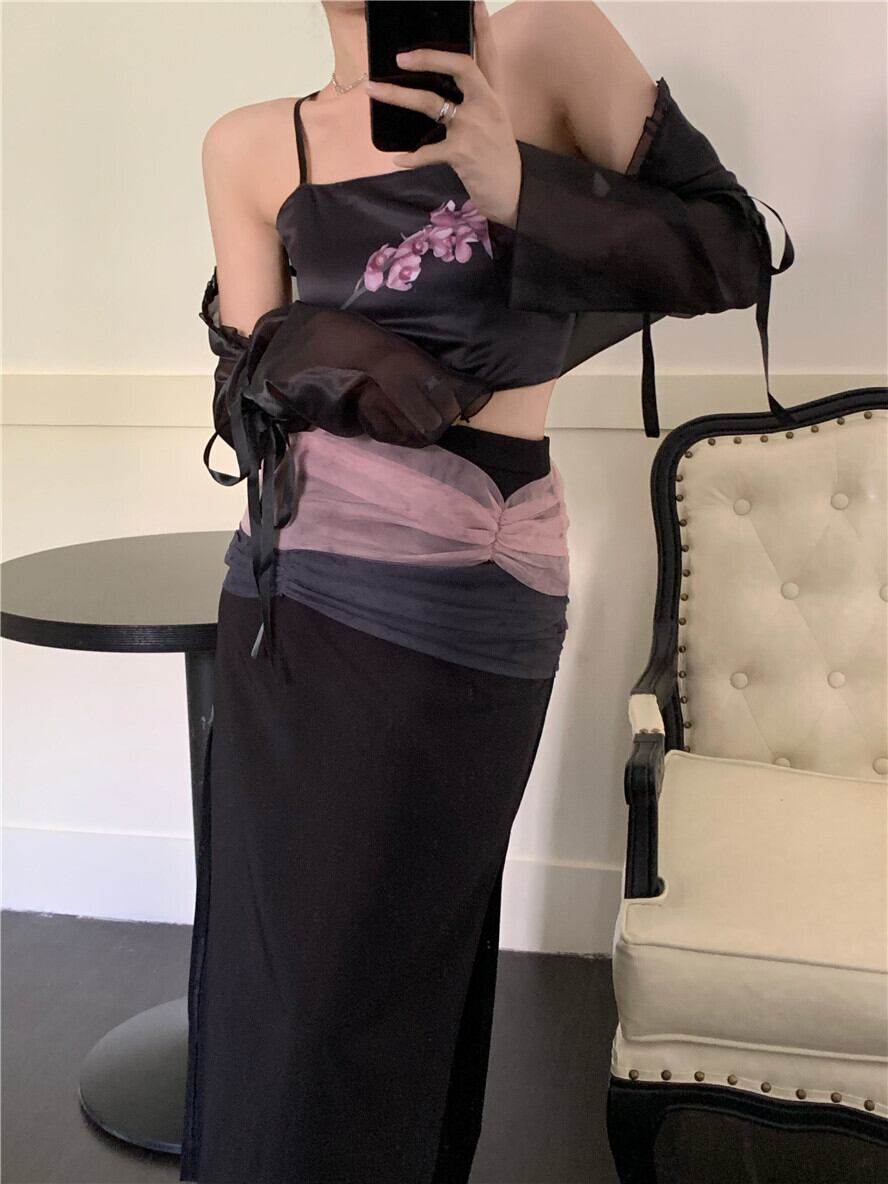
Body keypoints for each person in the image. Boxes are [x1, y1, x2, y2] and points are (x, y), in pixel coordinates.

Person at [180, 3, 795, 1181]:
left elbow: (730, 250)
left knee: (401, 969)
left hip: (479, 587)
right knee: (286, 982)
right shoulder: (250, 145)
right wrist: (323, 357)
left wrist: (520, 185)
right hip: (295, 595)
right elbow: (250, 397)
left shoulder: (549, 47)